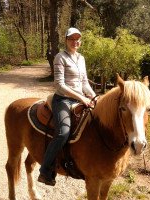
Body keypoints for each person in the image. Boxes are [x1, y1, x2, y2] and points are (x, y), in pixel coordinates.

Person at [38, 27, 96, 186]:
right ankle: (45, 171)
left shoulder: (81, 58)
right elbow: (59, 85)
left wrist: (93, 96)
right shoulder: (60, 57)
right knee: (63, 133)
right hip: (63, 100)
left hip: (80, 99)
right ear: (66, 40)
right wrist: (82, 98)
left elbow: (84, 82)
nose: (75, 41)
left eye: (78, 39)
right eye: (71, 39)